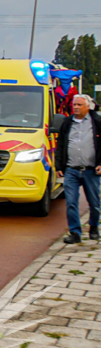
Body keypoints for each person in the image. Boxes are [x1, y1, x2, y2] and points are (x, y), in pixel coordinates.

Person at [57, 94, 101, 244]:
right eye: (74, 105)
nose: (76, 107)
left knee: (94, 203)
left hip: (91, 170)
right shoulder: (67, 122)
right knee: (71, 202)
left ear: (88, 107)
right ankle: (75, 232)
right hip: (71, 169)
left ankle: (94, 226)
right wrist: (59, 165)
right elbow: (61, 144)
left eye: (79, 105)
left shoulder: (97, 121)